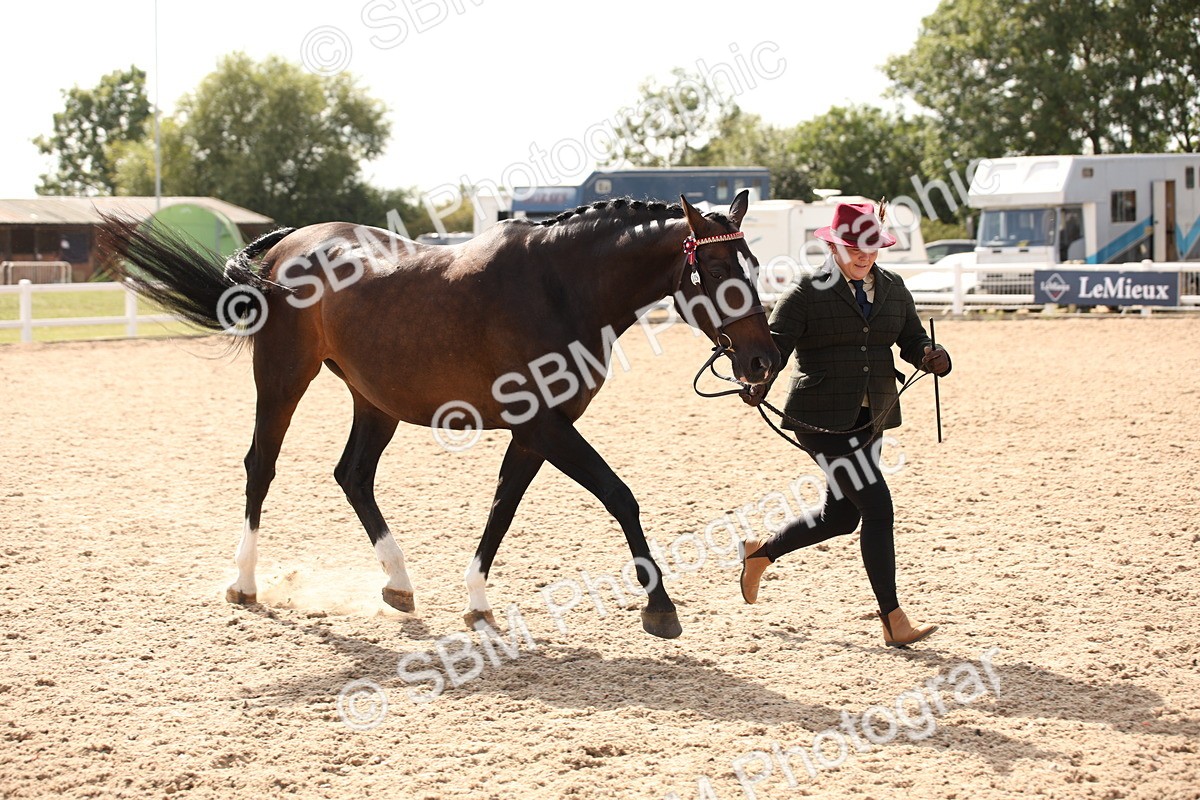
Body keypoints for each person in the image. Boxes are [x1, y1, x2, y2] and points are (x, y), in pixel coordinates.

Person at [738, 201, 951, 647]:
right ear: (834, 244)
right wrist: (757, 379)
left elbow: (912, 338)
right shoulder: (806, 291)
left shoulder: (893, 289)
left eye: (873, 248)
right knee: (877, 507)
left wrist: (932, 354)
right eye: (855, 247)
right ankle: (894, 619)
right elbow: (774, 348)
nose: (865, 256)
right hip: (818, 419)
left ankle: (761, 553)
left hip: (871, 416)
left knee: (842, 516)